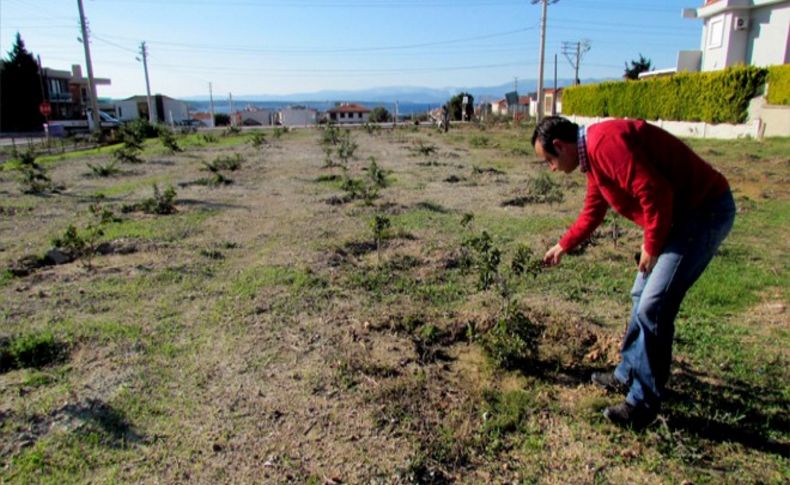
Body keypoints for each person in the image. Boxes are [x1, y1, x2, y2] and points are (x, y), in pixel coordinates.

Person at [532, 116, 735, 429]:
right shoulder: (593, 157)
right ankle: (626, 372)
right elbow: (593, 211)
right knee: (639, 294)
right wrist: (563, 245)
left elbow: (655, 193)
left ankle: (643, 403)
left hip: (702, 212)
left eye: (549, 161)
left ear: (560, 146)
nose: (552, 169)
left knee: (654, 305)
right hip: (674, 218)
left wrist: (651, 245)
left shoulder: (605, 144)